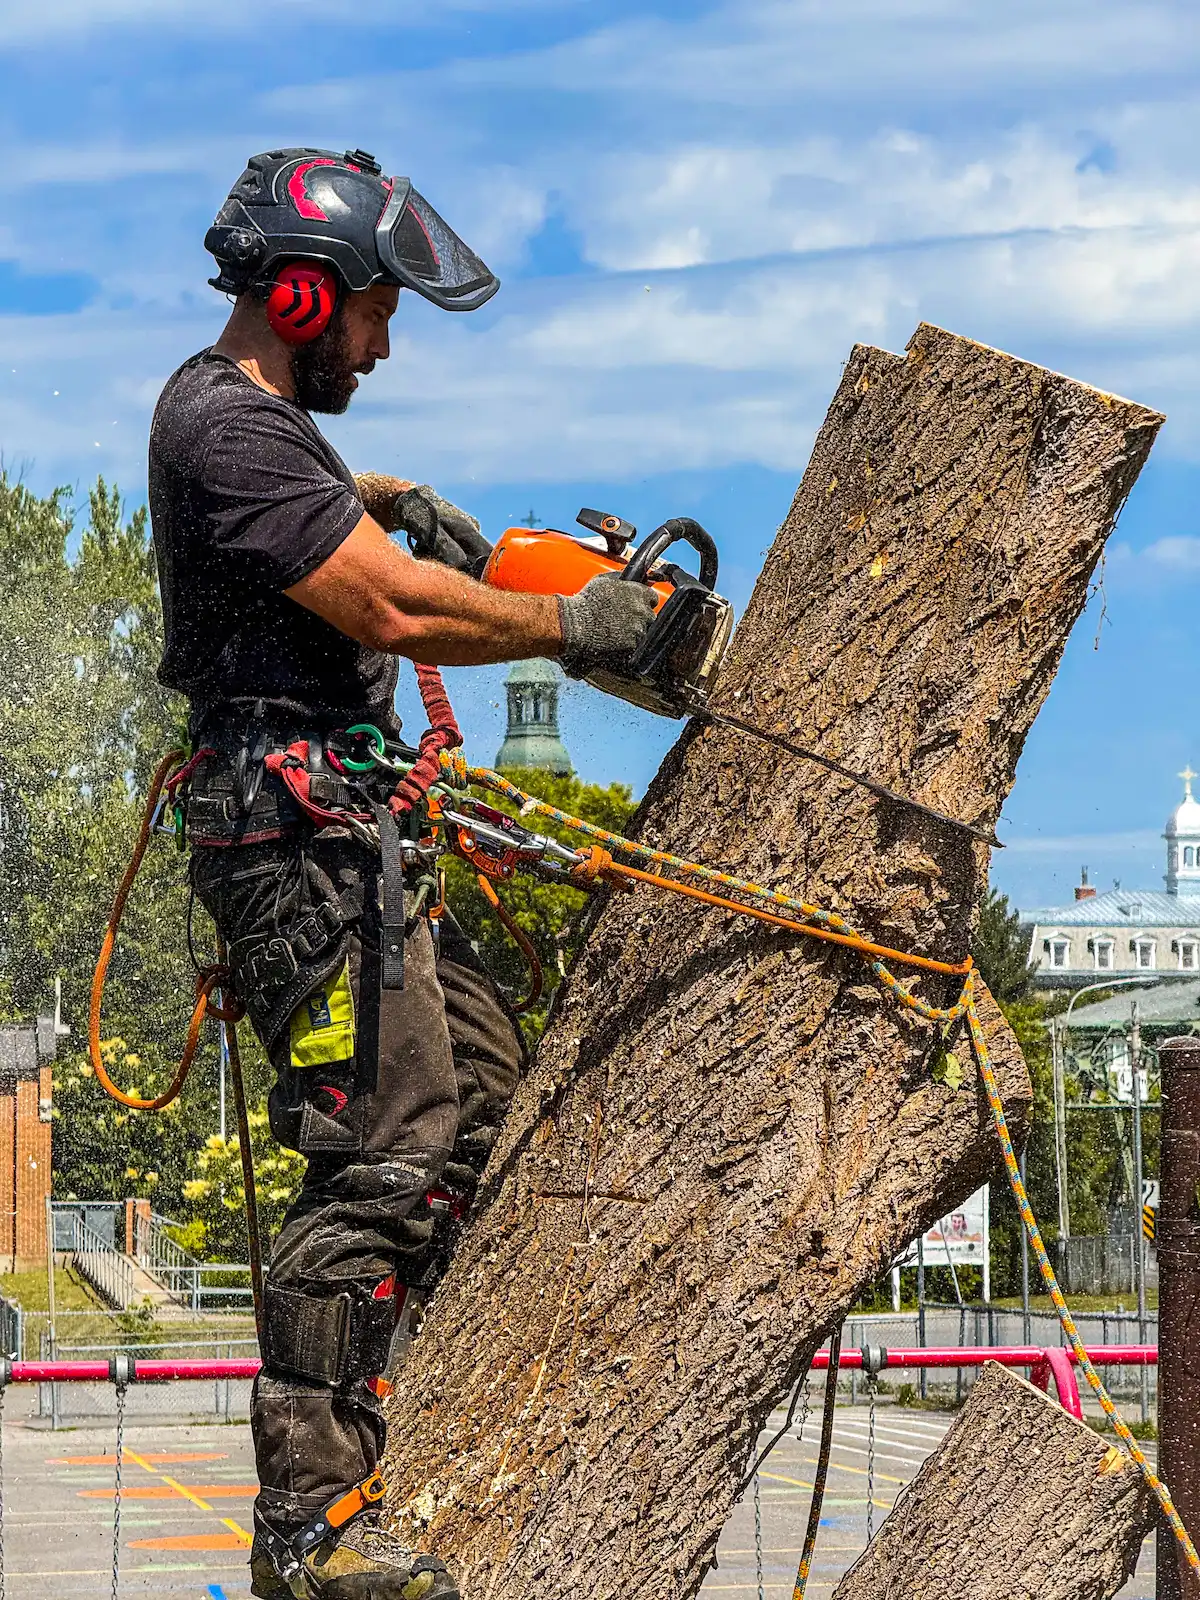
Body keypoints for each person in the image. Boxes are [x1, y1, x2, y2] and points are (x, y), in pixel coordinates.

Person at [147, 146, 656, 1600]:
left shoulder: (275, 438)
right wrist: (575, 629)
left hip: (352, 831)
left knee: (482, 1122)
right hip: (295, 844)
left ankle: (409, 1422)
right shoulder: (223, 425)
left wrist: (381, 493)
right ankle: (309, 1533)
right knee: (379, 1156)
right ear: (303, 296)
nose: (380, 342)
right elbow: (380, 603)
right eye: (374, 312)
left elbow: (350, 541)